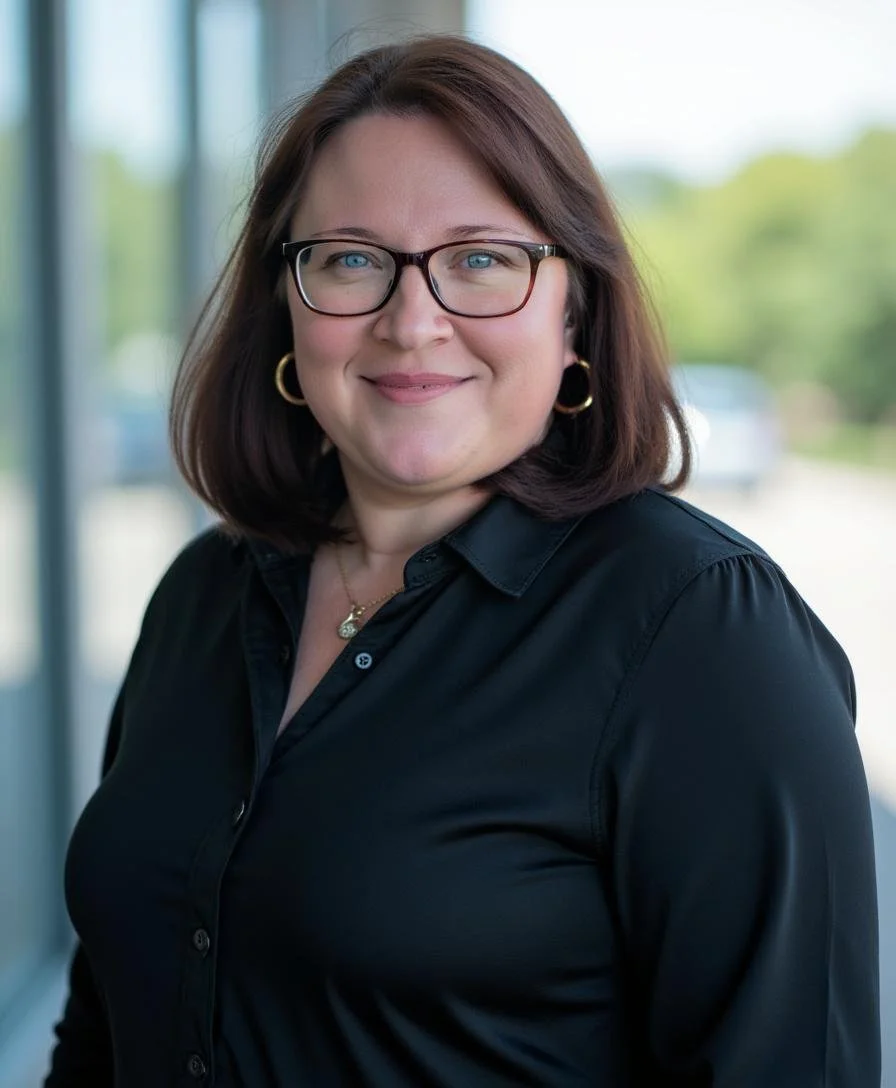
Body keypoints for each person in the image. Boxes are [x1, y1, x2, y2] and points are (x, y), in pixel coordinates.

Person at [46, 34, 880, 1088]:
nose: (411, 321)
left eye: (480, 258)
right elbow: (105, 1024)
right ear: (284, 309)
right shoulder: (202, 595)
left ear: (573, 311)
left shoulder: (697, 629)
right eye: (349, 258)